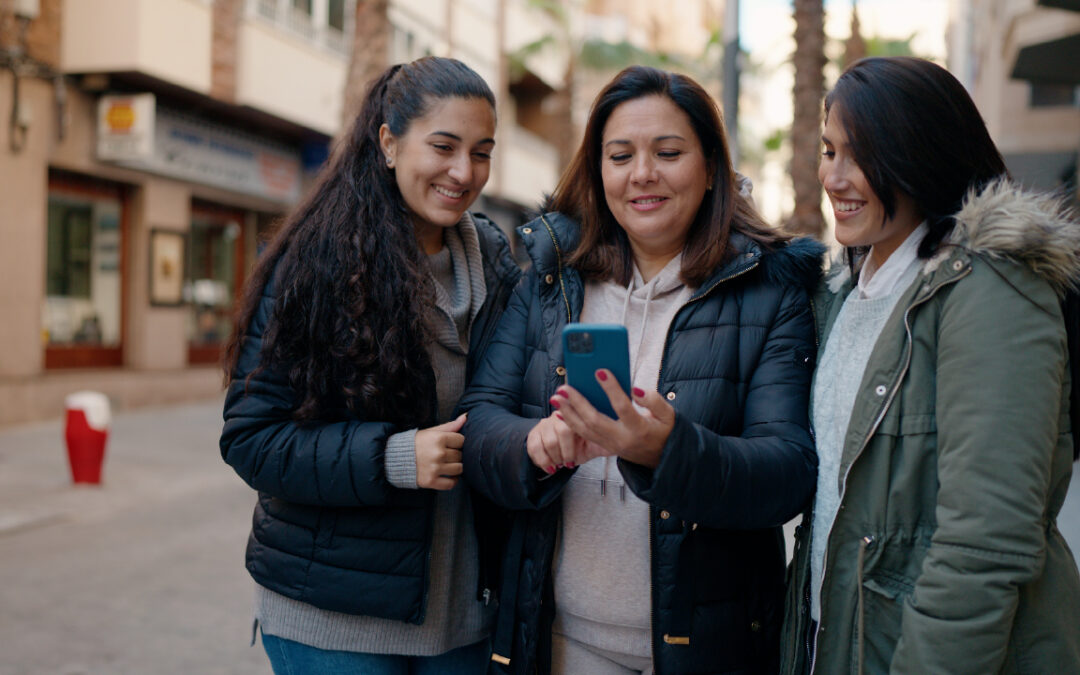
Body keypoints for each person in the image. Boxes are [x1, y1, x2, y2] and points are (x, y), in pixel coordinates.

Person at [458, 65, 824, 675]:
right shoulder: (550, 279)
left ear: (710, 166)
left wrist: (667, 450)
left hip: (707, 648)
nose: (642, 174)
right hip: (562, 639)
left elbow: (787, 472)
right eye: (620, 155)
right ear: (598, 171)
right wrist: (535, 445)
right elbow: (478, 423)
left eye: (669, 152)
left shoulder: (771, 292)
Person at [219, 56, 521, 674]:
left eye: (481, 152)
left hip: (463, 619)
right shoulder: (316, 262)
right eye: (443, 146)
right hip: (334, 623)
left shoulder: (496, 263)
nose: (463, 172)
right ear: (388, 141)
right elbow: (252, 438)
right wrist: (394, 458)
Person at [780, 56, 1080, 675]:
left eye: (860, 155)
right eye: (829, 150)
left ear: (920, 155)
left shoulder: (991, 290)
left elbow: (986, 544)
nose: (834, 177)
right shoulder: (844, 293)